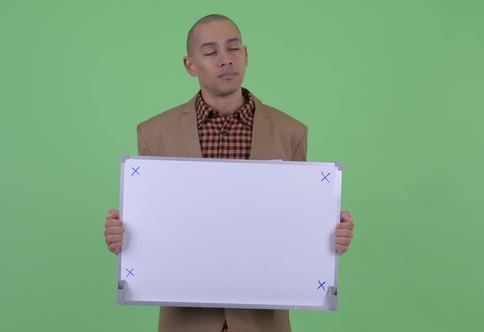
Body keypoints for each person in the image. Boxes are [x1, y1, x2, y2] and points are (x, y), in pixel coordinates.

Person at [104, 14, 355, 332]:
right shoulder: (155, 133)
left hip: (263, 321)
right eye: (210, 52)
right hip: (185, 320)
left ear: (246, 55)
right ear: (190, 65)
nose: (225, 59)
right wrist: (125, 238)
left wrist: (329, 237)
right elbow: (156, 224)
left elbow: (295, 223)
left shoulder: (291, 132)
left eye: (234, 48)